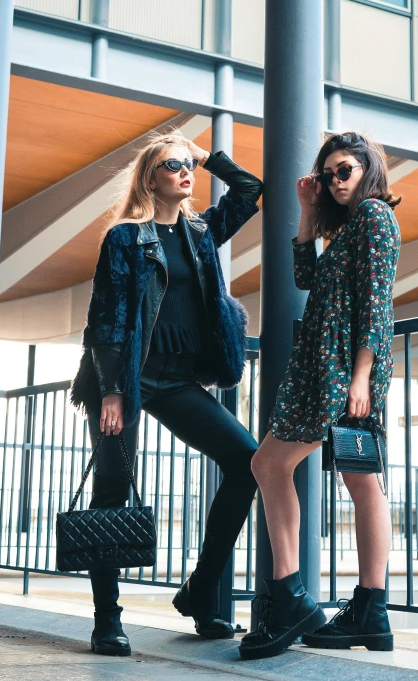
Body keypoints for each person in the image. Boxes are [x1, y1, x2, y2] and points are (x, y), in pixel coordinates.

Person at [71, 131, 263, 657]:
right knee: (111, 489)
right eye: (172, 165)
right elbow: (105, 319)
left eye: (188, 166)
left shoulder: (200, 232)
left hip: (178, 379)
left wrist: (205, 155)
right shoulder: (126, 238)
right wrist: (112, 391)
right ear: (150, 178)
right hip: (126, 378)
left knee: (247, 460)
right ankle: (106, 619)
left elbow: (250, 190)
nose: (185, 172)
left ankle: (202, 590)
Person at [239, 132, 401, 661]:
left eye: (345, 169)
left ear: (368, 169)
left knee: (270, 464)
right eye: (328, 173)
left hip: (343, 374)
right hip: (324, 370)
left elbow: (377, 305)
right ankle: (369, 612)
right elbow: (306, 275)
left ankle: (292, 596)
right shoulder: (350, 228)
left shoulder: (376, 217)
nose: (334, 179)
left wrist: (361, 376)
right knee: (360, 482)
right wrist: (307, 211)